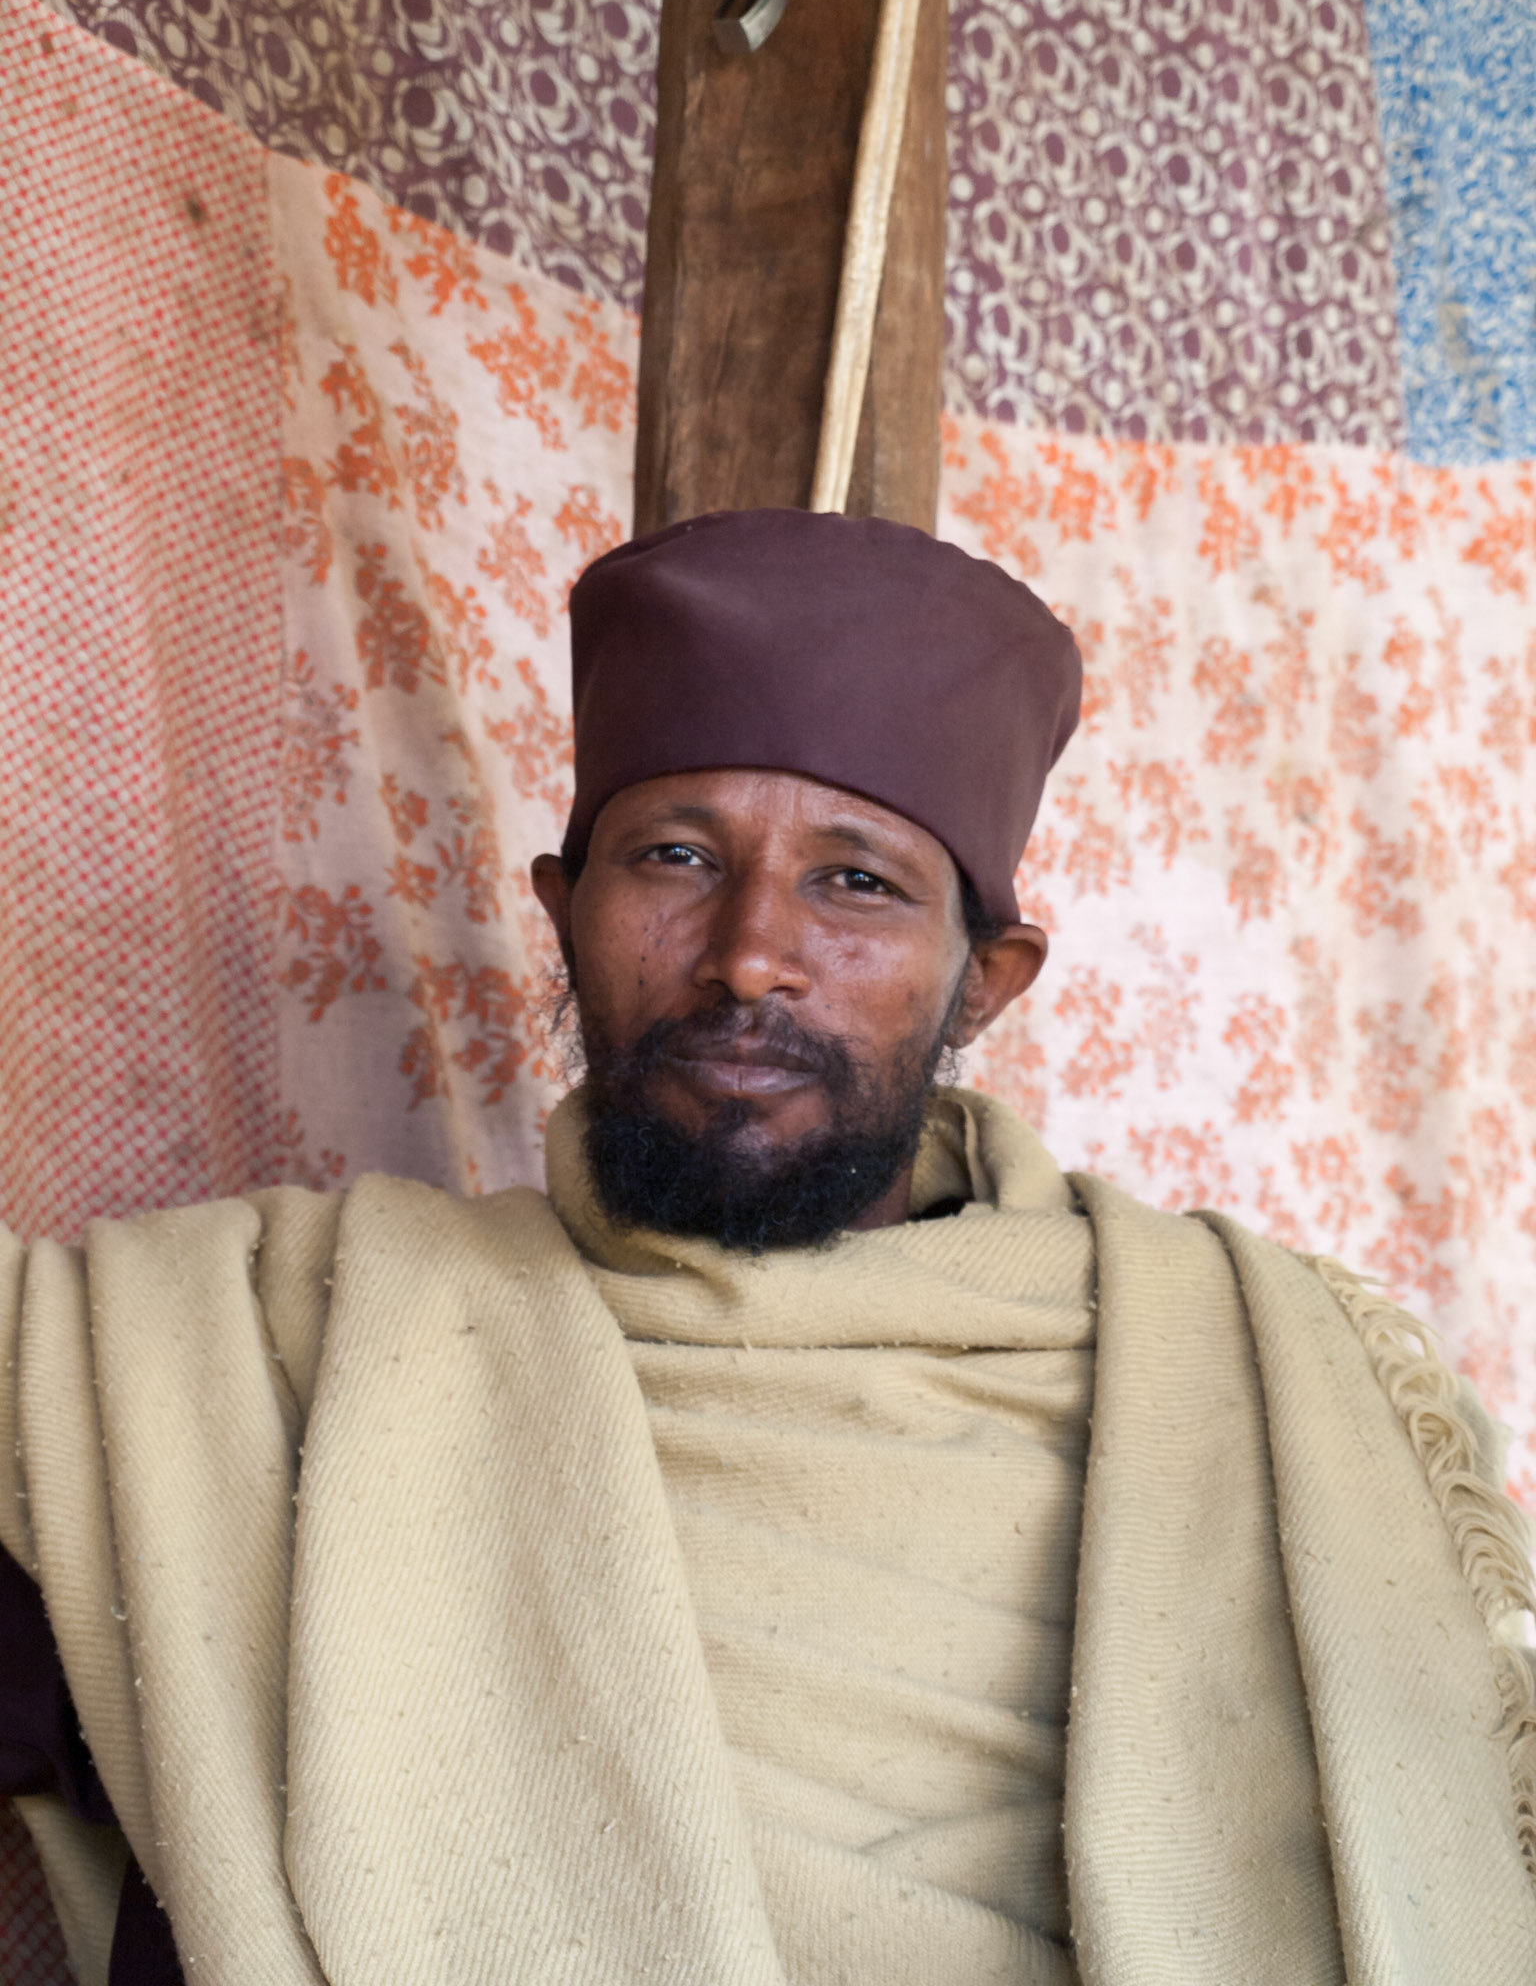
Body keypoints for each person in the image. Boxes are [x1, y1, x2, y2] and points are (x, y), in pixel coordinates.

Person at [2, 509, 1533, 1986]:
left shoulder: (1267, 1386)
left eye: (857, 882)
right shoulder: (258, 1359)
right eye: (674, 856)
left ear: (985, 979)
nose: (750, 955)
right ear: (563, 908)